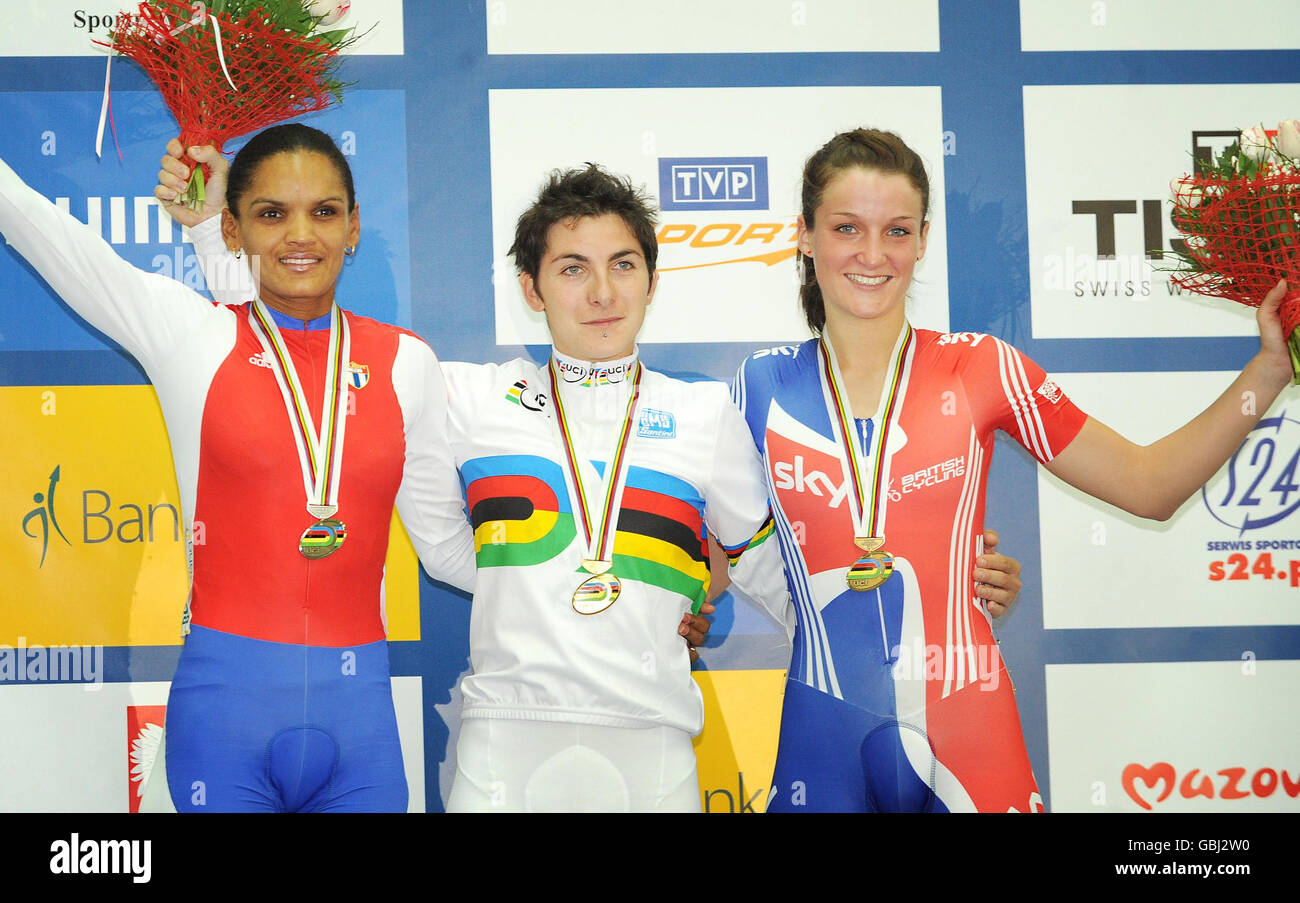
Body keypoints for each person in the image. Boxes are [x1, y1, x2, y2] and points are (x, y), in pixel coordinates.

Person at [175, 152, 1024, 811]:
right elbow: (418, 520)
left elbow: (796, 575)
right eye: (572, 267)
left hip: (652, 750)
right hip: (501, 750)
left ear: (653, 280)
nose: (602, 290)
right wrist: (541, 576)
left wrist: (945, 574)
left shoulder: (705, 416)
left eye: (622, 264)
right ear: (531, 289)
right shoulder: (460, 392)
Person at [731, 127, 1293, 813]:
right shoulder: (756, 386)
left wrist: (1269, 369)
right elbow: (711, 541)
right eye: (847, 227)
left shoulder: (983, 367)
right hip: (822, 739)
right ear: (805, 235)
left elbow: (1149, 484)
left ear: (924, 239)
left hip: (969, 728)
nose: (873, 255)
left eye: (897, 231)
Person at [0, 123, 480, 812]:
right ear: (234, 229)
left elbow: (444, 547)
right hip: (223, 727)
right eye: (270, 213)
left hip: (363, 732)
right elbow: (39, 229)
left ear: (354, 227)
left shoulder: (408, 365)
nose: (300, 235)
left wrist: (633, 592)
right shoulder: (188, 335)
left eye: (324, 211)